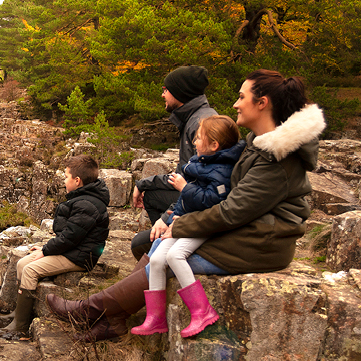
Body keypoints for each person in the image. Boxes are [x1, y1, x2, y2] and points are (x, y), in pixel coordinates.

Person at [46, 69, 326, 342]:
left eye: (242, 97)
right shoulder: (257, 143)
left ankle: (92, 310)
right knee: (153, 247)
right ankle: (112, 317)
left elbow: (233, 210)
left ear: (262, 103)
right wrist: (170, 218)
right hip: (249, 228)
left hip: (262, 240)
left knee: (167, 255)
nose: (235, 104)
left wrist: (180, 224)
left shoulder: (276, 158)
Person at [131, 115, 244, 338]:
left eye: (199, 138)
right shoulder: (201, 163)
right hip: (184, 220)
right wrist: (172, 217)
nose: (194, 142)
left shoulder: (223, 171)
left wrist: (184, 189)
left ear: (214, 145)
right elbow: (186, 201)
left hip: (202, 224)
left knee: (175, 256)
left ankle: (202, 311)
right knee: (156, 259)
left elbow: (212, 202)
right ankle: (156, 318)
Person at [0, 154, 110, 334]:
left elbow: (70, 238)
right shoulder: (83, 198)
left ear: (77, 180)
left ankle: (20, 327)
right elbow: (69, 234)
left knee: (30, 270)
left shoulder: (88, 205)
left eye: (66, 177)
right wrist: (46, 248)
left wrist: (46, 250)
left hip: (80, 257)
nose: (64, 181)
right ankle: (17, 314)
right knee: (21, 264)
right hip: (72, 249)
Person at [131, 65, 218, 260]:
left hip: (202, 206)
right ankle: (166, 240)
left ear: (180, 92)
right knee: (151, 195)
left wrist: (167, 217)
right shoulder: (193, 119)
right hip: (192, 198)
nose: (163, 94)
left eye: (166, 90)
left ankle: (168, 245)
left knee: (138, 244)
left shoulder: (201, 124)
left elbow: (200, 185)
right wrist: (142, 183)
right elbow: (182, 175)